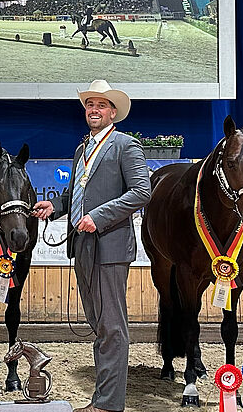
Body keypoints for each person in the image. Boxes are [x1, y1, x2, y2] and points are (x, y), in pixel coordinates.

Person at [32, 80, 151, 412]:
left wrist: (99, 217)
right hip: (83, 246)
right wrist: (56, 206)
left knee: (112, 326)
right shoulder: (82, 149)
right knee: (99, 325)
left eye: (101, 105)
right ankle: (102, 399)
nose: (94, 110)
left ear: (113, 112)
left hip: (110, 246)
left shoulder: (126, 146)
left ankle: (109, 404)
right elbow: (77, 194)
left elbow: (142, 192)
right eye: (89, 105)